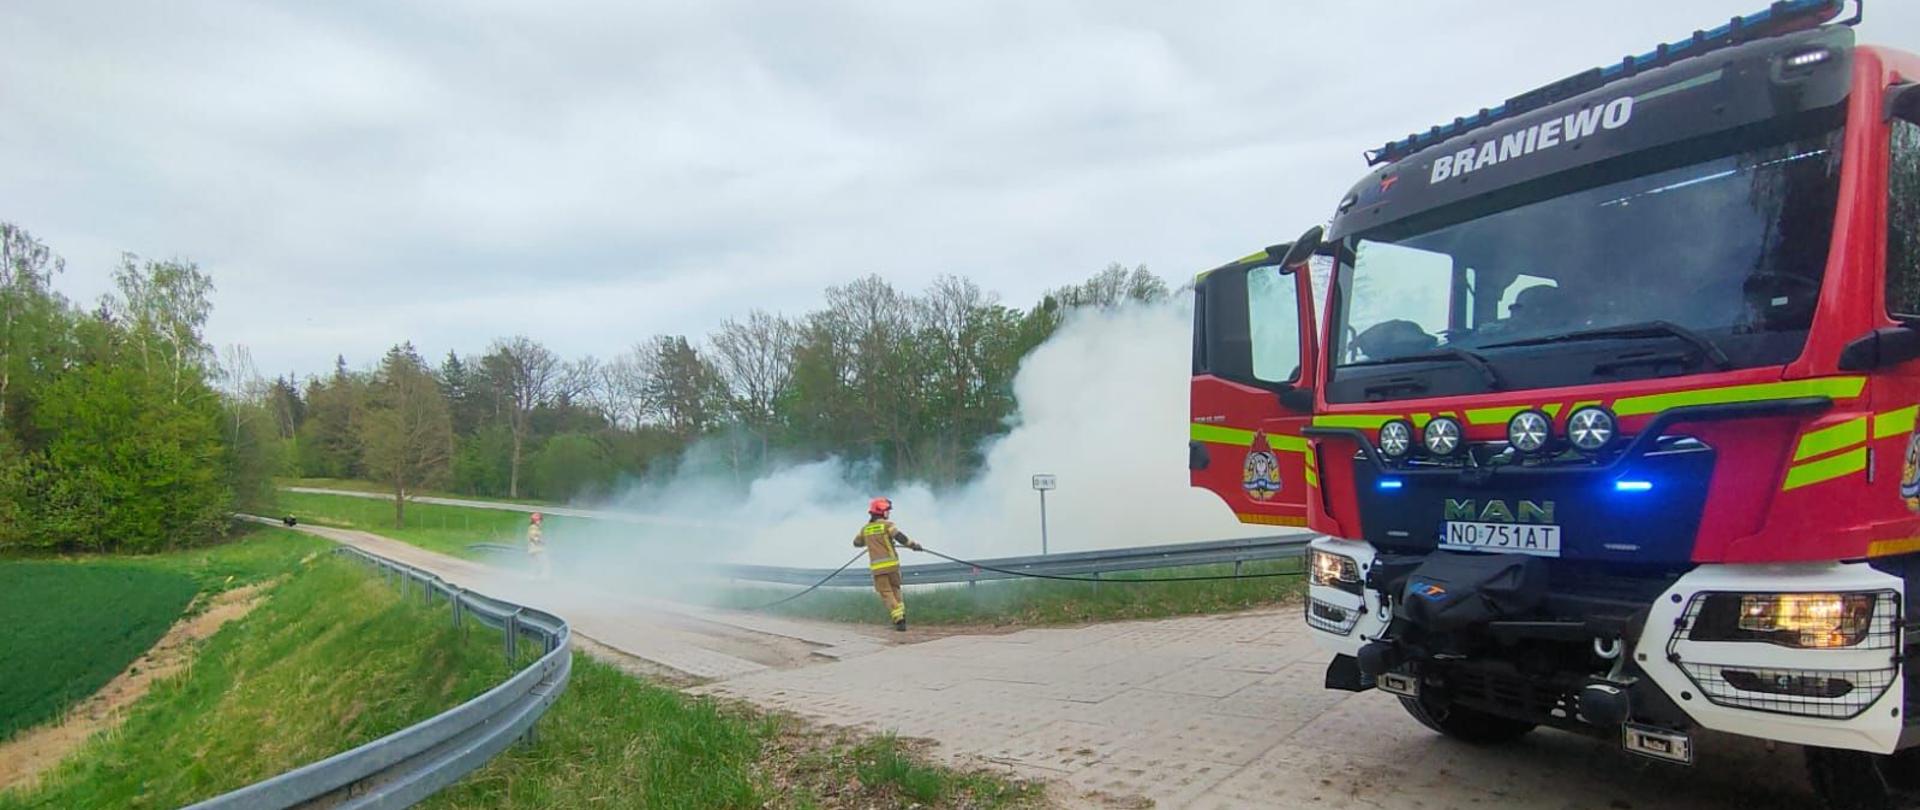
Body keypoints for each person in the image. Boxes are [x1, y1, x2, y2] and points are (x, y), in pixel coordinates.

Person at [855, 497, 921, 631]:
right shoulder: (888, 525)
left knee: (886, 592)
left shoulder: (865, 529)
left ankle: (899, 620)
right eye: (887, 511)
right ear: (882, 512)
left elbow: (856, 543)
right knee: (896, 589)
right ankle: (901, 615)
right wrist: (913, 545)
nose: (888, 513)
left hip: (878, 569)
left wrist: (869, 541)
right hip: (893, 566)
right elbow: (900, 537)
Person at [527, 512, 550, 578]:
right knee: (545, 563)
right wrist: (542, 541)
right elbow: (534, 537)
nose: (541, 522)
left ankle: (534, 578)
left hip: (534, 550)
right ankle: (543, 578)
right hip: (537, 550)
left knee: (536, 565)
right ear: (536, 520)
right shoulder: (533, 527)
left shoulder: (535, 528)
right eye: (540, 520)